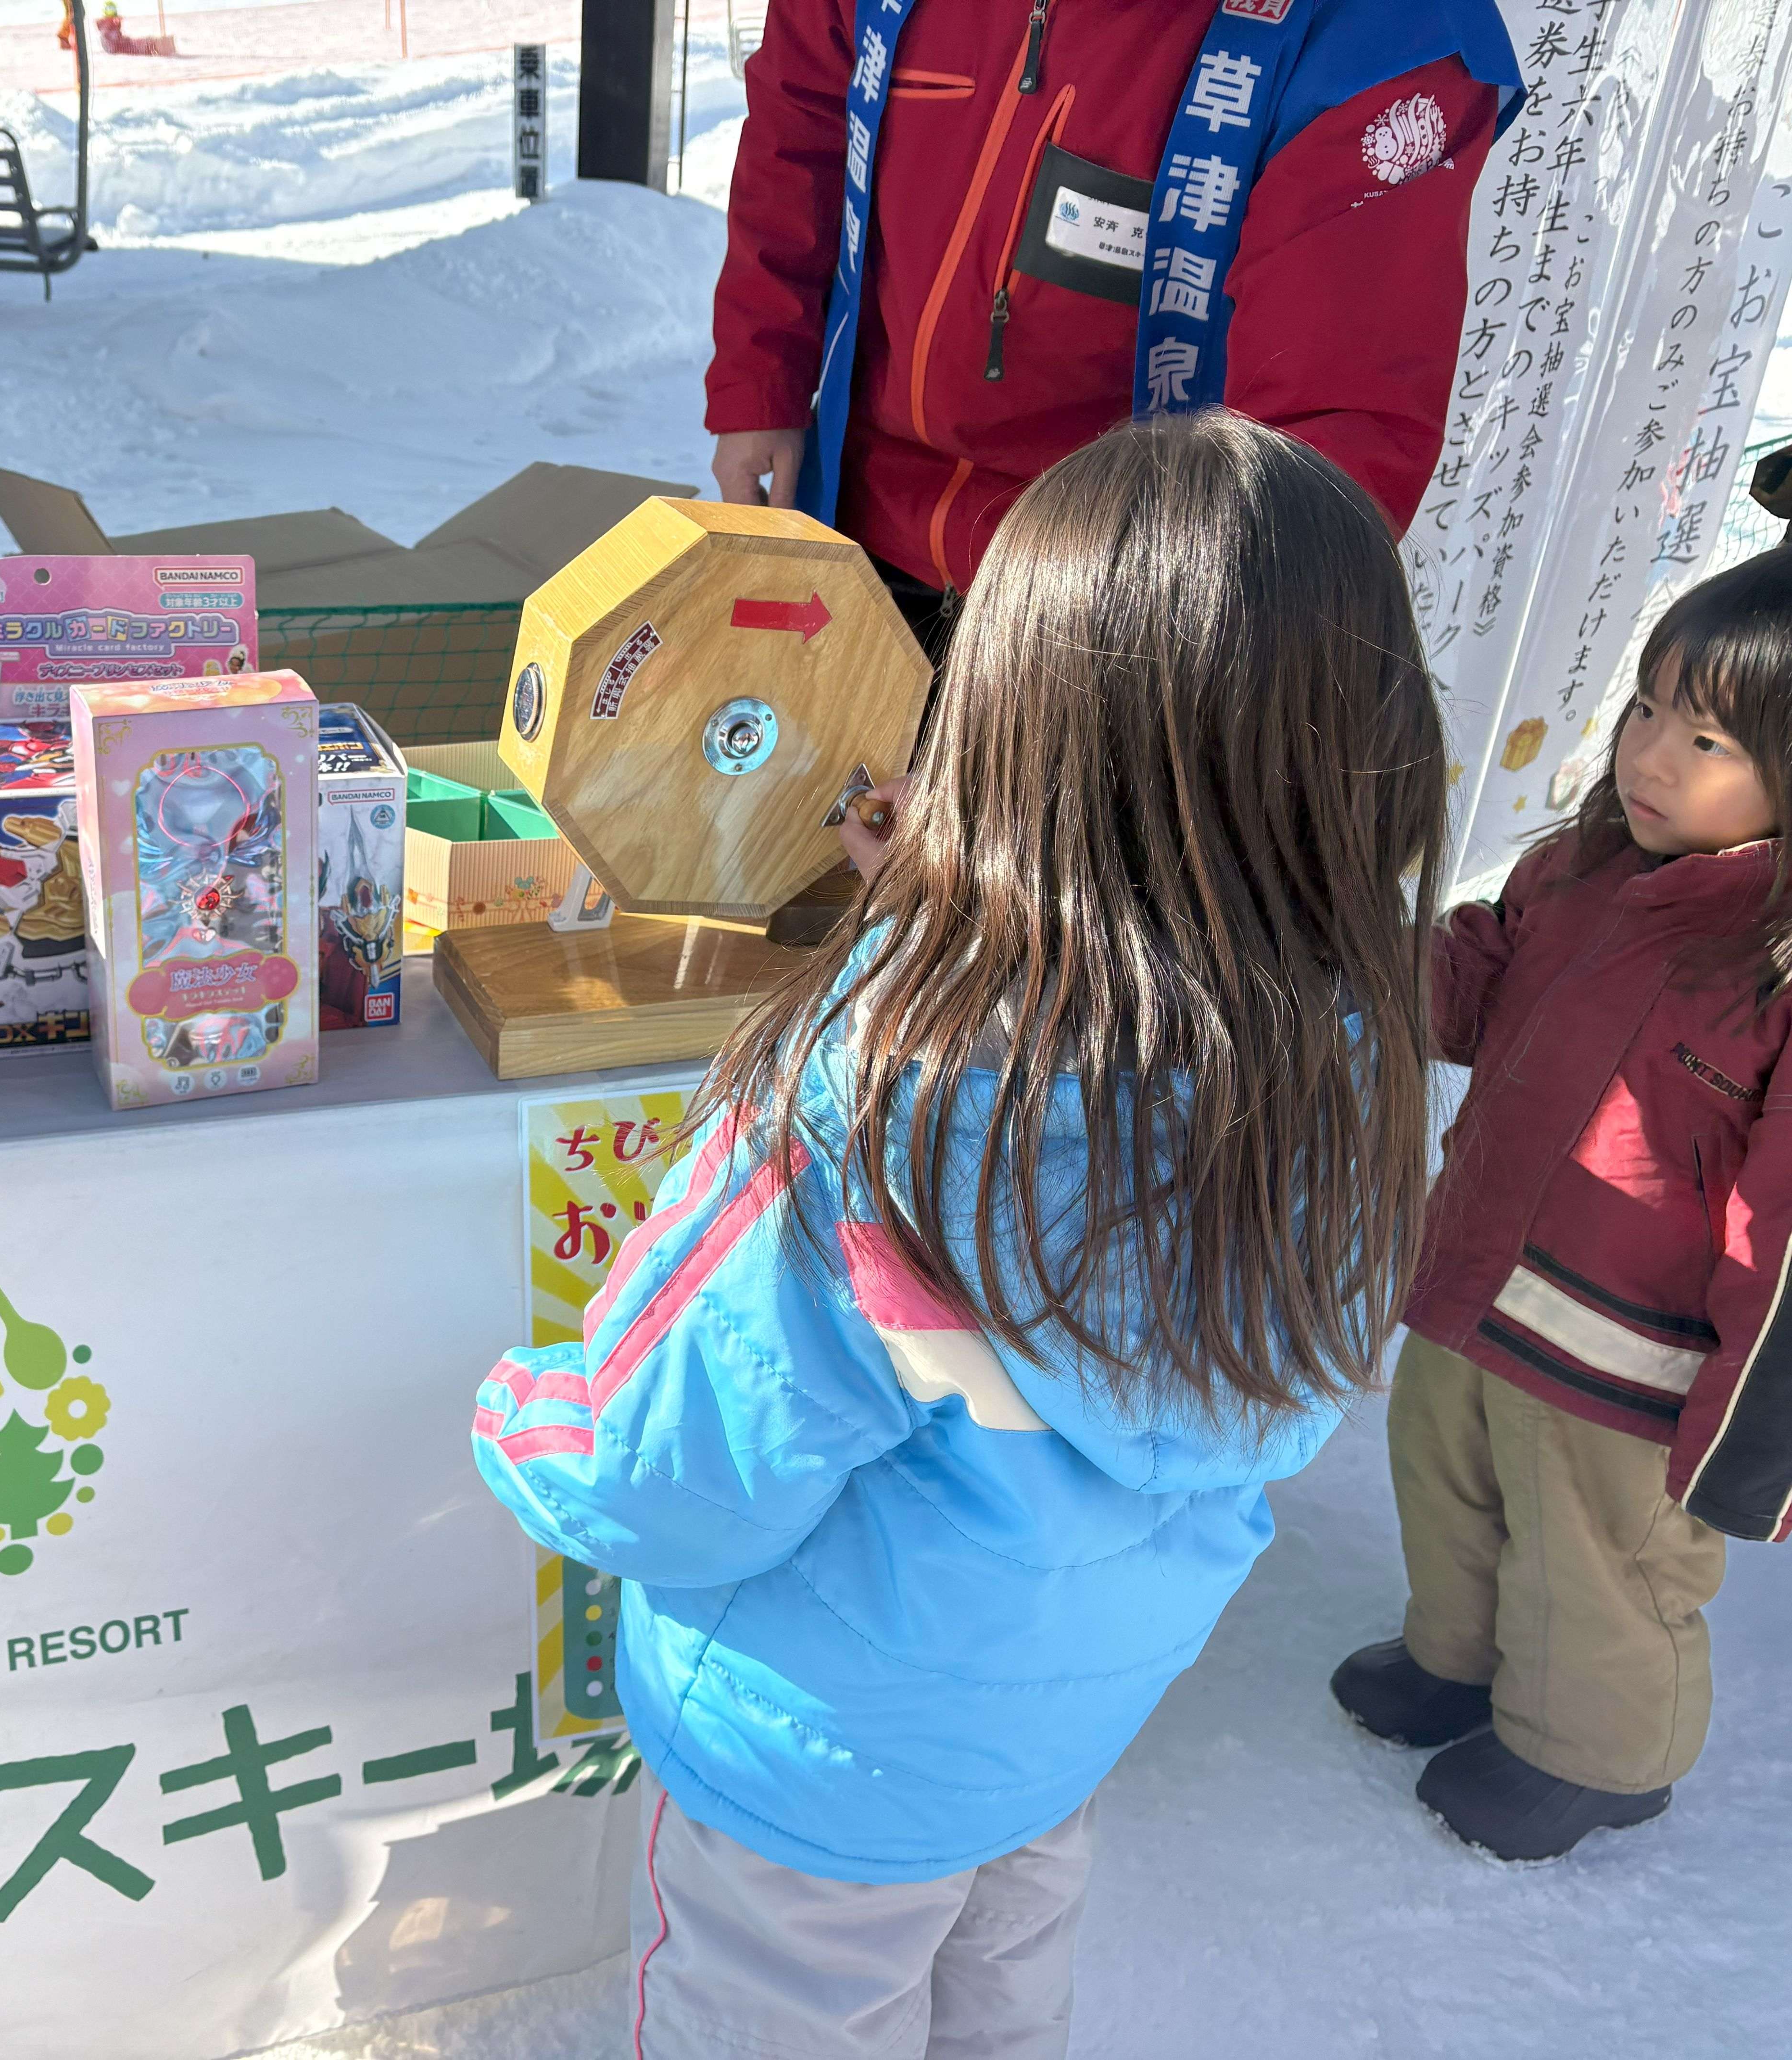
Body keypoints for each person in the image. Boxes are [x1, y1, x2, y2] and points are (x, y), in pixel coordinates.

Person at [471, 412, 1448, 2058]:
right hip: (1060, 1708)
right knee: (1000, 1983)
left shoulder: (879, 1102)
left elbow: (670, 1468)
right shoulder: (1341, 1061)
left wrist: (521, 1416)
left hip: (822, 1747)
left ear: (1002, 723)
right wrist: (953, 889)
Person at [1331, 552, 1792, 1862]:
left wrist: (1751, 1434)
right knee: (1447, 1475)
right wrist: (1350, 953)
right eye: (1648, 709)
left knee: (1599, 1559)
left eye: (1708, 738)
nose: (1651, 754)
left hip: (1632, 1358)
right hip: (1479, 1276)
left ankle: (1595, 1755)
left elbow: (1785, 1222)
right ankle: (1459, 1661)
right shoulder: (1583, 870)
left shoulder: (1770, 955)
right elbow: (1470, 982)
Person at [707, 0, 1520, 650]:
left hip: (1101, 625)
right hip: (845, 520)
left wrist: (1158, 727)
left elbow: (1327, 445)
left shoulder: (1389, 37)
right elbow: (802, 120)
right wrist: (759, 383)